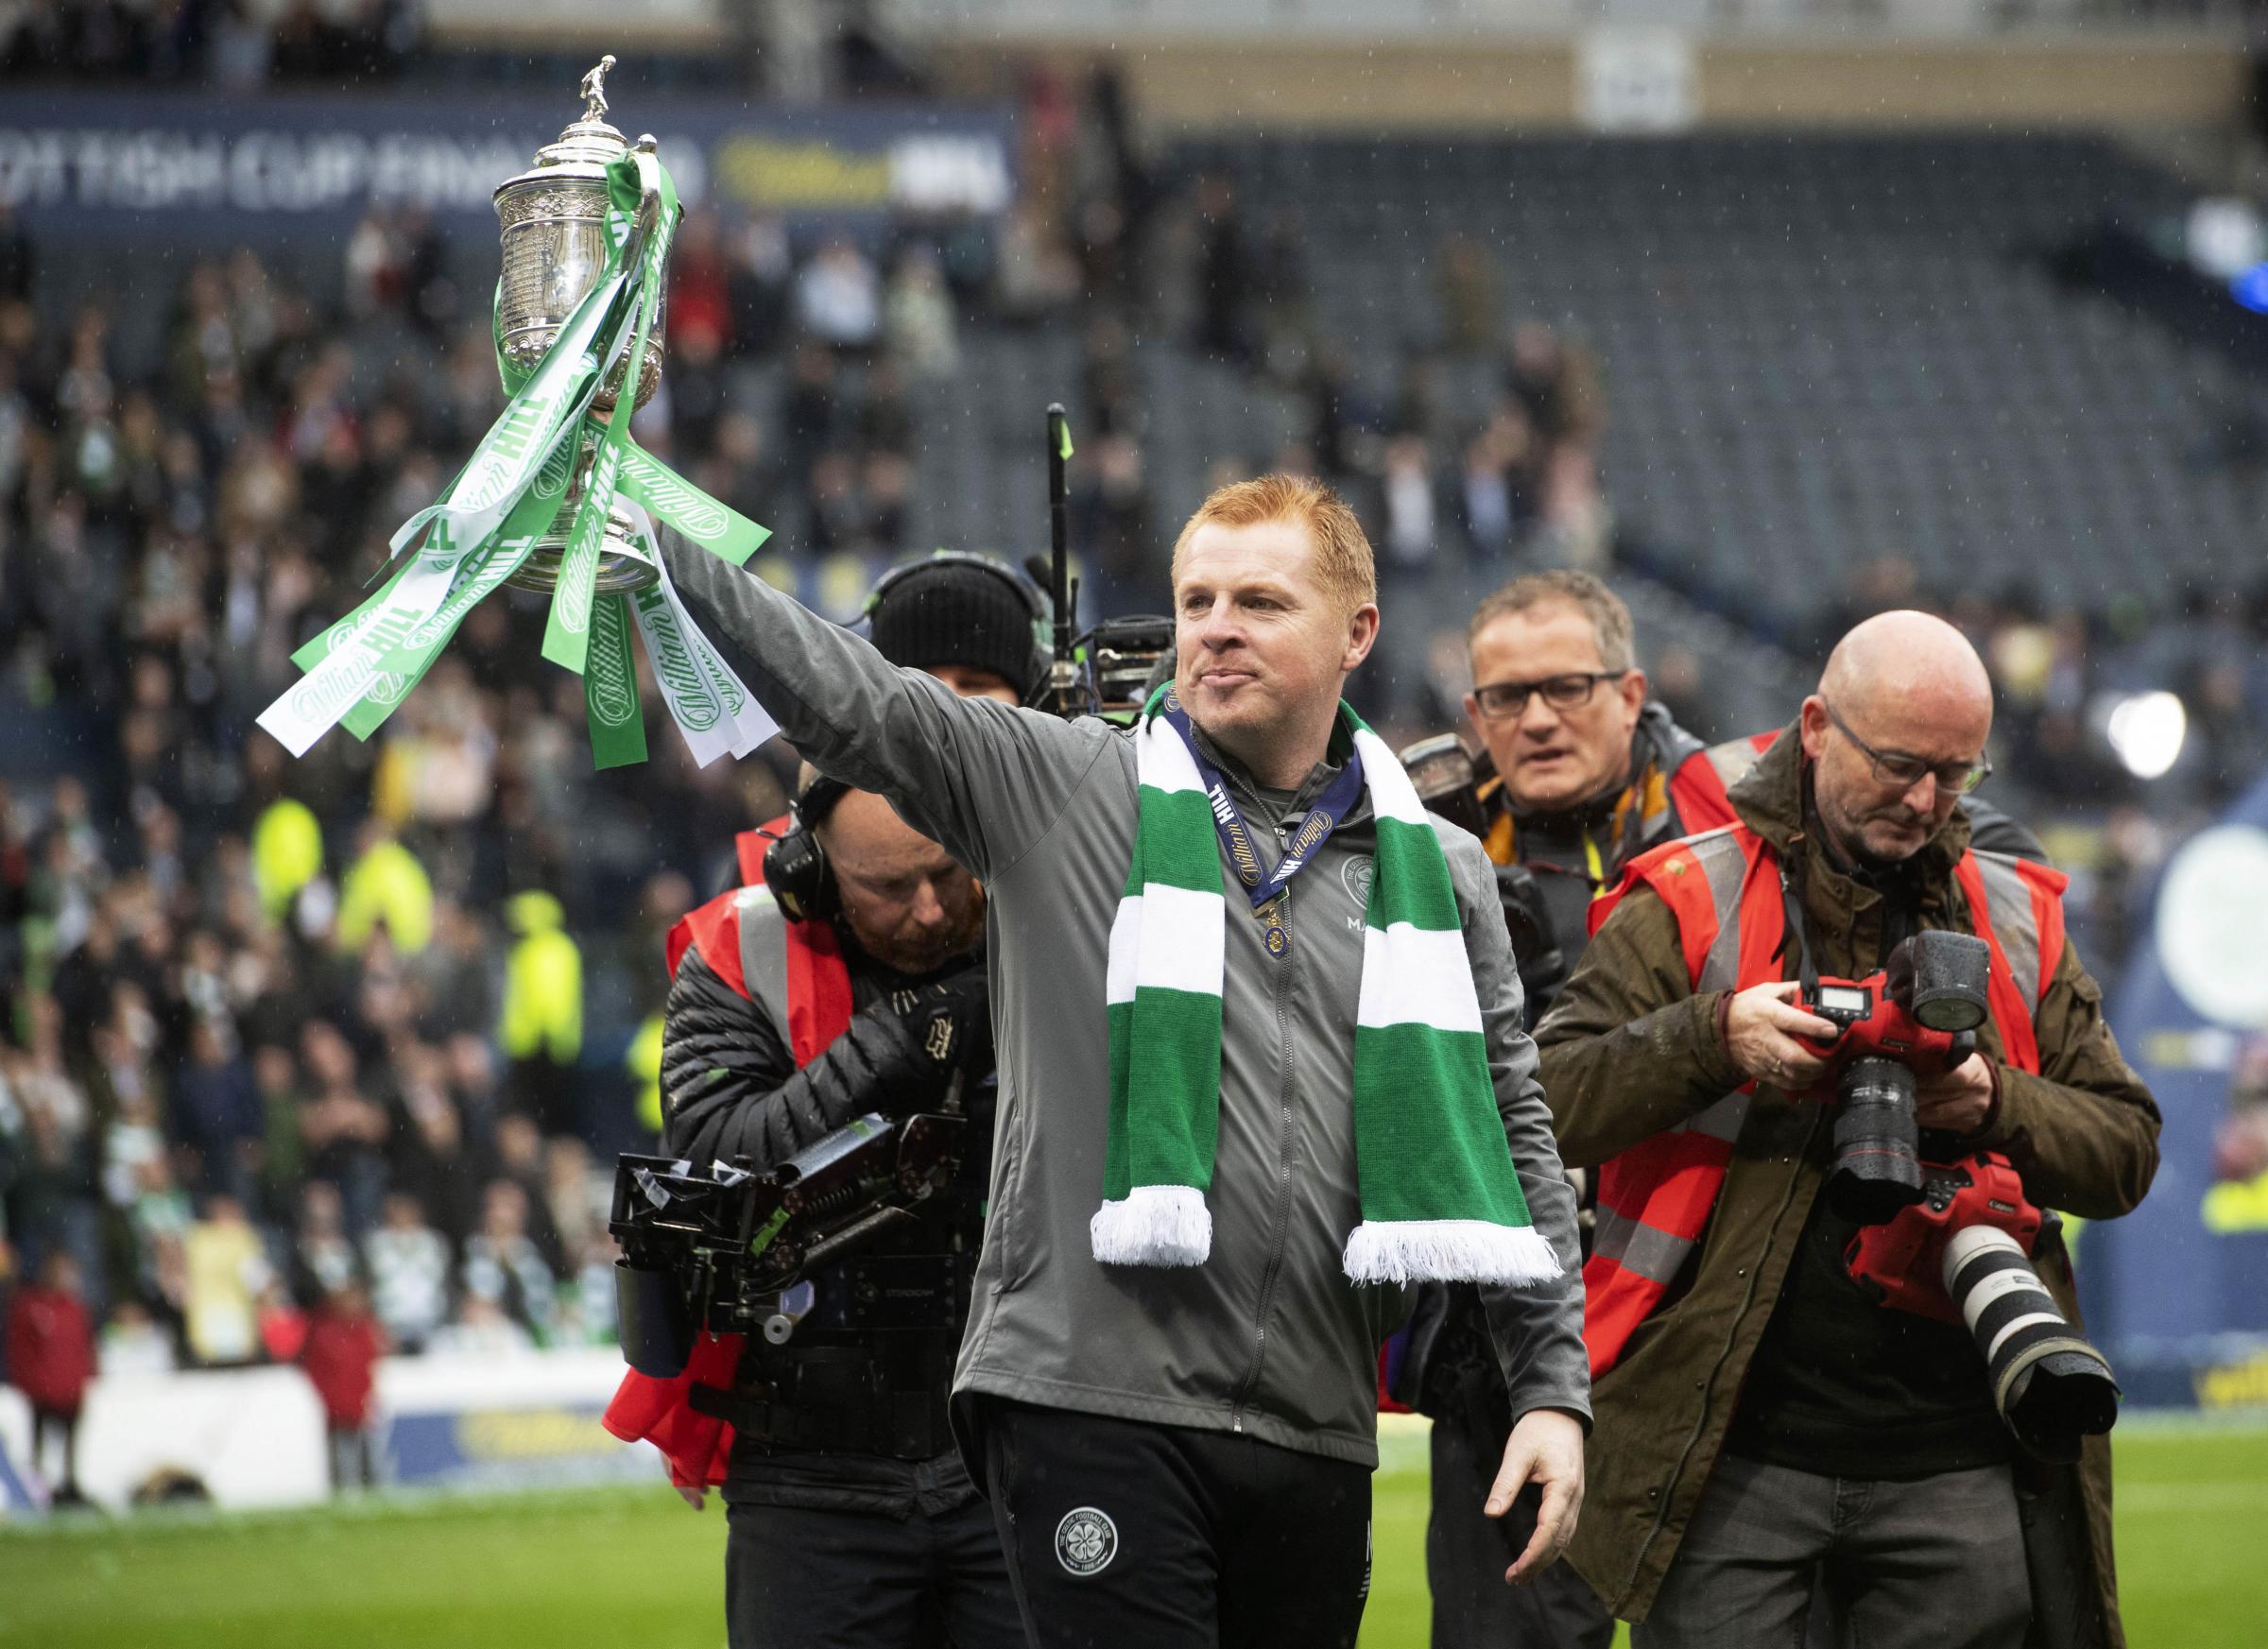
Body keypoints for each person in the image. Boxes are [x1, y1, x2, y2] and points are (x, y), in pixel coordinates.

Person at [652, 474, 1588, 1649]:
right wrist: (656, 540)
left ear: (1358, 632)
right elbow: (852, 699)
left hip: (1316, 1420)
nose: (1216, 625)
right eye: (1197, 598)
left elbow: (1515, 1133)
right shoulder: (1059, 784)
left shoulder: (1438, 869)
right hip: (1091, 1400)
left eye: (1259, 599)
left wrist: (1551, 1389)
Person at [1406, 571, 2051, 1649]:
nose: (1536, 716)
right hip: (1508, 1315)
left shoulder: (1735, 798)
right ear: (1472, 715)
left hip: (1687, 1309)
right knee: (1508, 1628)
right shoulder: (1427, 840)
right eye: (1503, 696)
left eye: (1565, 685)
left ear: (1631, 691)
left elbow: (1942, 817)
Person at [1533, 610, 2159, 1648]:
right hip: (1727, 1453)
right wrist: (1717, 1035)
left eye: (1957, 774)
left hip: (1962, 1455)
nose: (1925, 801)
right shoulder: (1692, 890)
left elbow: (2128, 1146)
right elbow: (1545, 1095)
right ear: (1817, 726)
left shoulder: (2013, 911)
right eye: (1902, 764)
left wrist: (1992, 1099)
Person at [607, 555, 1043, 1649]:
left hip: (1017, 1443)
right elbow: (718, 1160)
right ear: (812, 867)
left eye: (951, 875)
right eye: (888, 888)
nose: (931, 909)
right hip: (808, 1467)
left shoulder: (1059, 917)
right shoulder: (738, 949)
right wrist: (900, 1043)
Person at [724, 552, 1042, 887]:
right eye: (923, 687)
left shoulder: (1074, 838)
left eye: (975, 684)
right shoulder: (763, 872)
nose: (948, 705)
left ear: (1034, 698)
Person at [5, 1250, 95, 1503]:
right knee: (38, 1443)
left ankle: (69, 1485)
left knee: (71, 1443)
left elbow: (84, 1346)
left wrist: (84, 1378)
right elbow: (20, 1349)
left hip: (71, 1389)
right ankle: (35, 1491)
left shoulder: (75, 1307)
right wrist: (29, 1382)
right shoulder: (31, 1307)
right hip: (42, 1390)